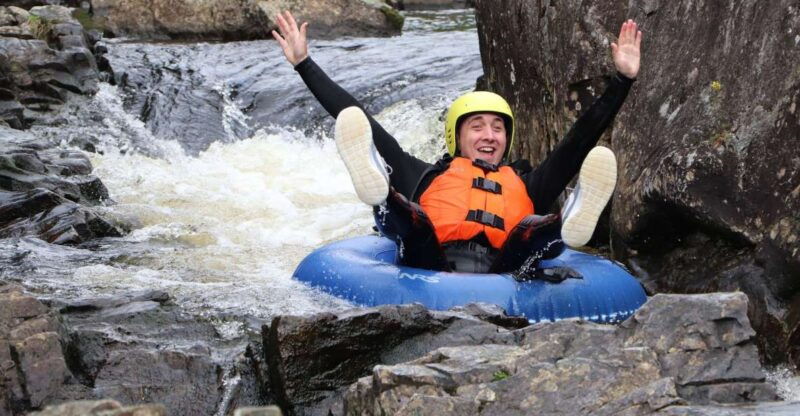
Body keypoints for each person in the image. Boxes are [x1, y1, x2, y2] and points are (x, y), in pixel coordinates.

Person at [272, 11, 642, 280]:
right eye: (477, 126)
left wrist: (622, 81)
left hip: (507, 268)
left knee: (536, 233)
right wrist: (304, 64)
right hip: (430, 262)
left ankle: (574, 216)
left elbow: (578, 142)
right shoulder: (426, 175)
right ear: (457, 137)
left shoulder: (527, 183)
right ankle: (377, 187)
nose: (489, 135)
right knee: (409, 219)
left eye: (498, 128)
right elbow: (361, 121)